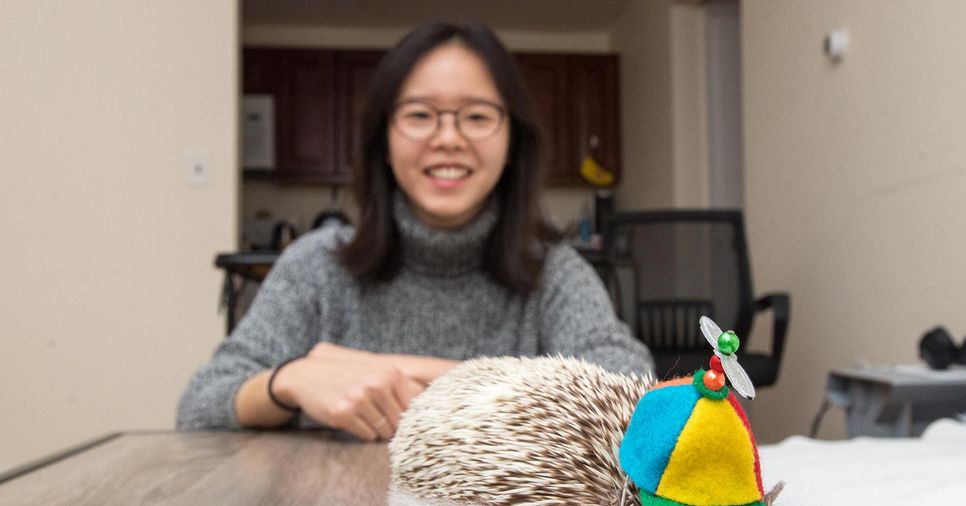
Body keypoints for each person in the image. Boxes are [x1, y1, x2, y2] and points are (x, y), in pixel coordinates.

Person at [176, 22, 653, 441]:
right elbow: (198, 408)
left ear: (512, 144)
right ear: (384, 140)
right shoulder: (315, 264)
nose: (448, 138)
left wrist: (418, 376)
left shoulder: (555, 274)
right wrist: (288, 380)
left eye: (477, 116)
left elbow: (635, 400)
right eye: (420, 115)